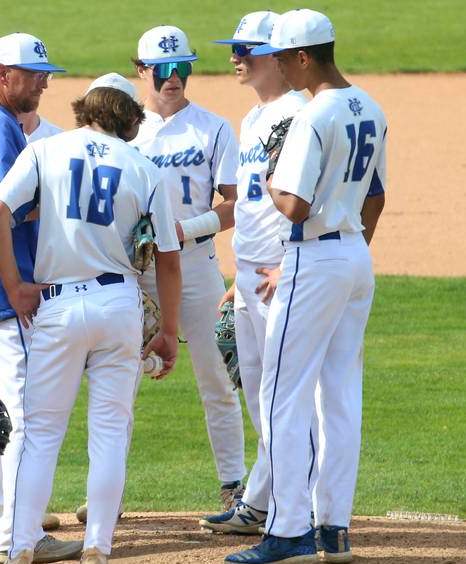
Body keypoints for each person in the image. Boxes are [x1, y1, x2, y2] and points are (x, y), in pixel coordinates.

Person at [0, 73, 181, 564]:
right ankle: (97, 556)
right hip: (119, 305)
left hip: (57, 303)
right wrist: (169, 331)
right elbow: (168, 259)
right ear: (129, 122)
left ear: (83, 110)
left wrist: (13, 285)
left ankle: (19, 559)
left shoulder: (48, 148)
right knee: (110, 435)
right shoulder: (144, 166)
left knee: (41, 436)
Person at [224, 8, 387, 564]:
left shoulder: (312, 116)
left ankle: (288, 531)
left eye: (284, 60)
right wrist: (350, 246)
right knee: (339, 395)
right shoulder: (370, 105)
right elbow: (376, 198)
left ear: (300, 56)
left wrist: (272, 179)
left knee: (280, 395)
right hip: (355, 255)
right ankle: (333, 529)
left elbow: (291, 204)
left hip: (311, 260)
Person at [0, 33, 79, 562]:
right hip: (5, 290)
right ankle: (19, 537)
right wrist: (17, 284)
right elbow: (2, 211)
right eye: (34, 74)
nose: (45, 83)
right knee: (24, 413)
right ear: (2, 72)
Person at [200, 11, 309, 536]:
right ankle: (261, 502)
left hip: (277, 273)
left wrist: (290, 262)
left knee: (280, 396)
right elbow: (250, 204)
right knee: (257, 395)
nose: (235, 58)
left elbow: (310, 200)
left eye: (246, 50)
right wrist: (235, 276)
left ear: (277, 56)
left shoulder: (297, 115)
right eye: (235, 49)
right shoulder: (254, 118)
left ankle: (294, 507)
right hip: (248, 275)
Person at [131, 24, 246, 510]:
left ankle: (233, 485)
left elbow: (234, 205)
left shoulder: (213, 128)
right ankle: (108, 495)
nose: (173, 77)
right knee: (121, 386)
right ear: (142, 71)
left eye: (182, 67)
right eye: (163, 69)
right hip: (134, 272)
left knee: (216, 379)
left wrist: (185, 229)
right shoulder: (124, 128)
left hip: (195, 265)